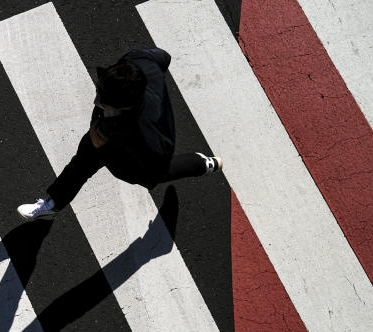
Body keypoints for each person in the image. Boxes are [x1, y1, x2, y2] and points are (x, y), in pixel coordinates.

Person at [17, 47, 222, 220]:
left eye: (103, 100)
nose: (96, 100)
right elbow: (163, 57)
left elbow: (155, 167)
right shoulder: (137, 62)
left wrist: (103, 148)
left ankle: (200, 164)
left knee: (158, 173)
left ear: (125, 106)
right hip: (107, 131)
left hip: (134, 157)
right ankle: (54, 202)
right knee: (81, 162)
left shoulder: (146, 134)